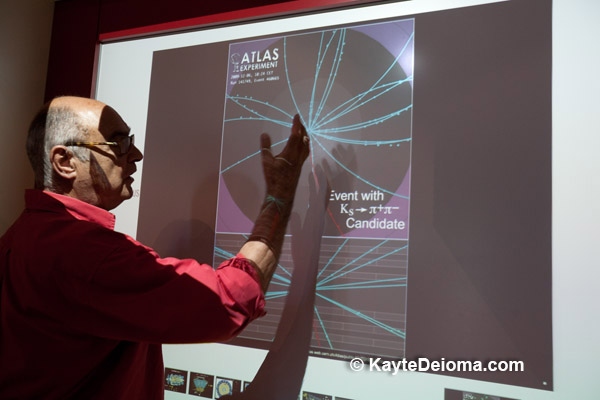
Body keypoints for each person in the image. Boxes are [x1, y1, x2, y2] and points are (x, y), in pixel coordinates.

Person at [0, 96, 309, 399]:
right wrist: (280, 193)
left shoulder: (20, 237)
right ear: (65, 162)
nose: (135, 154)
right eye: (118, 144)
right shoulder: (82, 253)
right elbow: (228, 301)